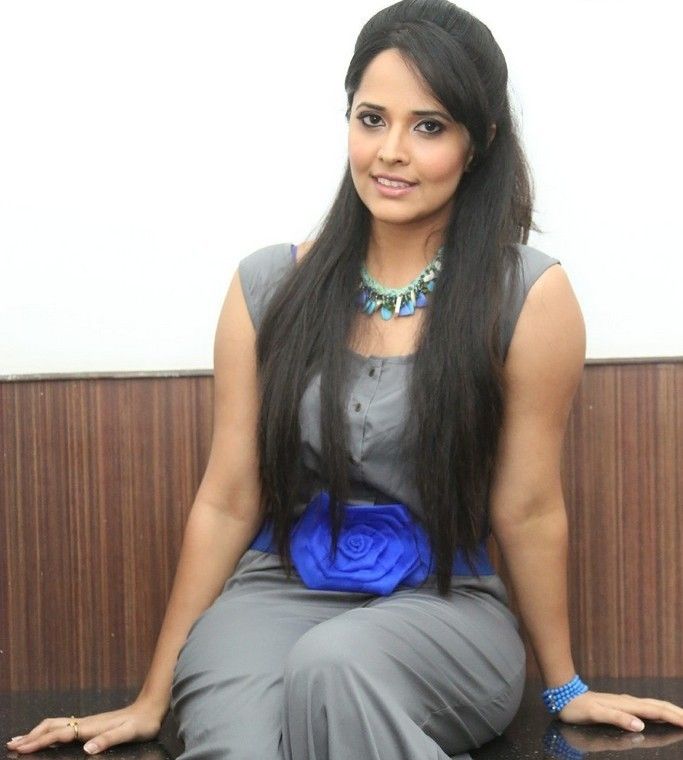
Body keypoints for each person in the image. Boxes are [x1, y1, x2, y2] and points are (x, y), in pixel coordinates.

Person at [7, 1, 683, 758]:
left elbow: (526, 508)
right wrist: (151, 696)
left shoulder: (525, 295)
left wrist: (563, 687)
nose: (391, 151)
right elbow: (228, 500)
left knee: (334, 667)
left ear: (479, 141)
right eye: (371, 119)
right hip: (273, 595)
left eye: (428, 126)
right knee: (242, 742)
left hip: (447, 607)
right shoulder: (267, 287)